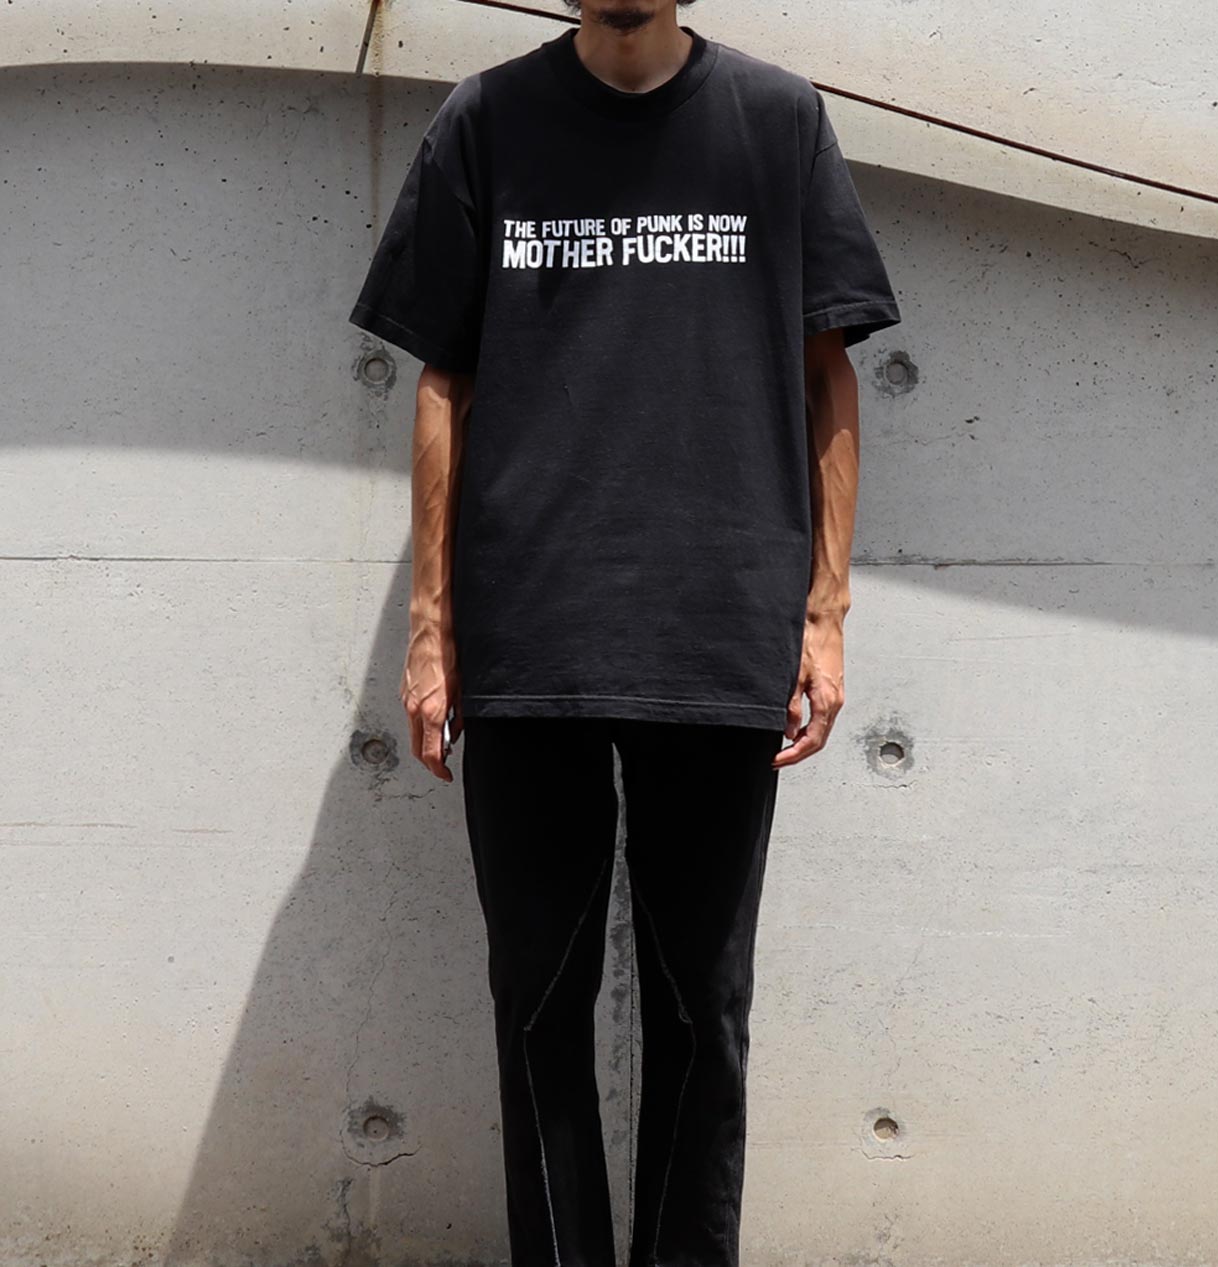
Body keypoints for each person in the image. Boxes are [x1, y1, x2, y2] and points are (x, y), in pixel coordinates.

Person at [348, 0, 902, 1262]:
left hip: (717, 628)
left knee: (703, 1009)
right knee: (536, 1006)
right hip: (529, 631)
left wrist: (824, 613)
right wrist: (431, 628)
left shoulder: (775, 124)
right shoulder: (489, 120)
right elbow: (443, 379)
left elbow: (828, 372)